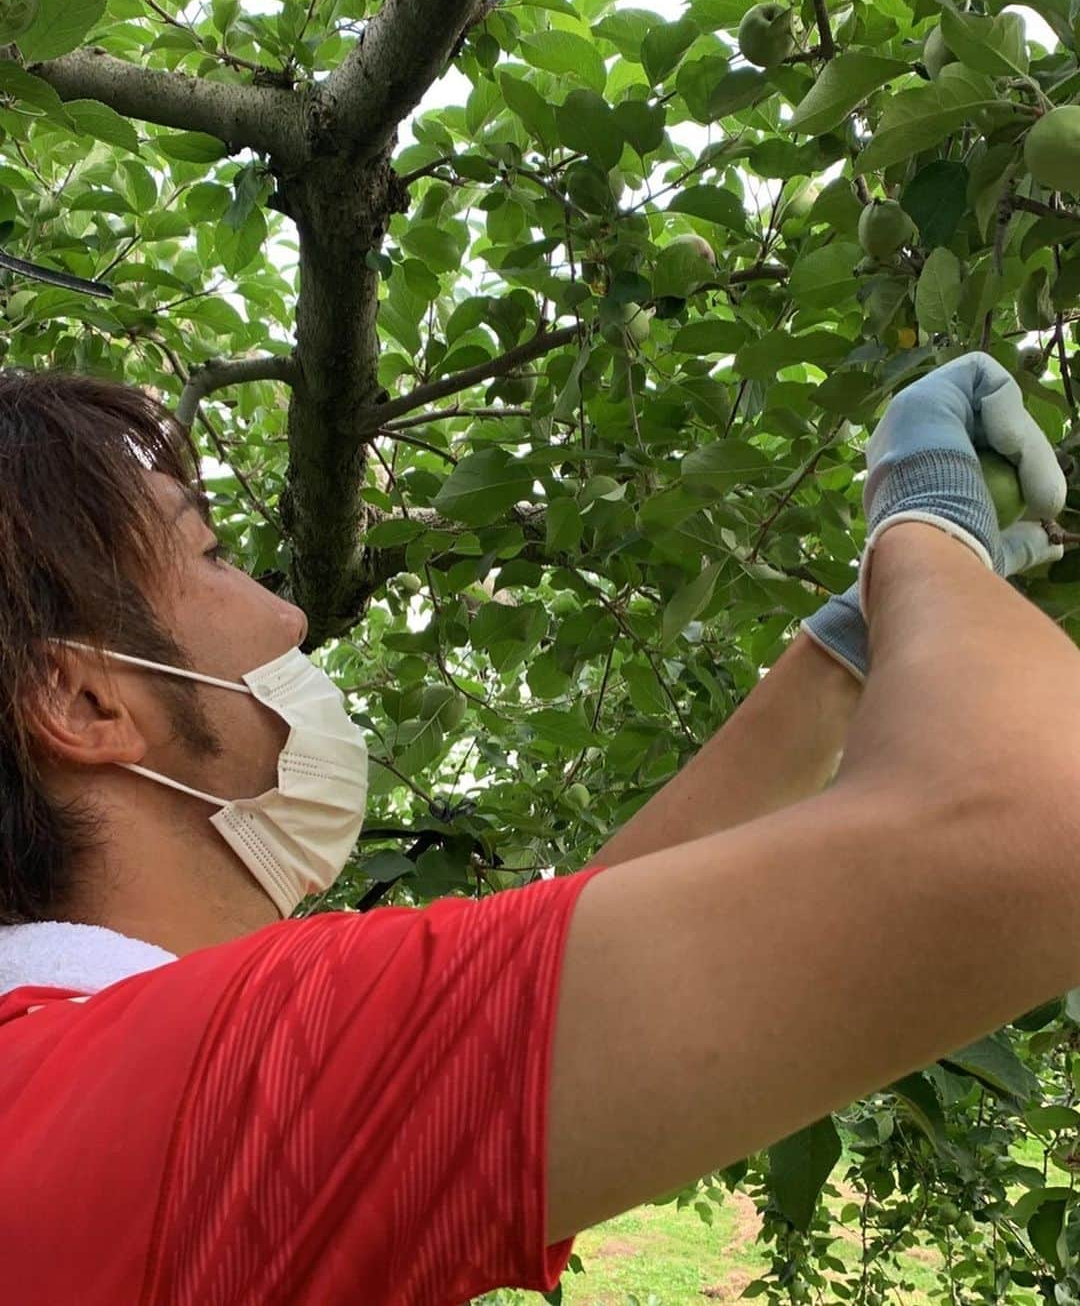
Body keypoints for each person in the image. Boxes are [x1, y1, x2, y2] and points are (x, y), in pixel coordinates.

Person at [0, 353, 1077, 1305]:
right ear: (88, 704)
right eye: (213, 556)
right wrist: (923, 526)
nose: (287, 615)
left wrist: (849, 645)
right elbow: (1031, 814)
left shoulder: (70, 1089)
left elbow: (581, 957)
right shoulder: (198, 1097)